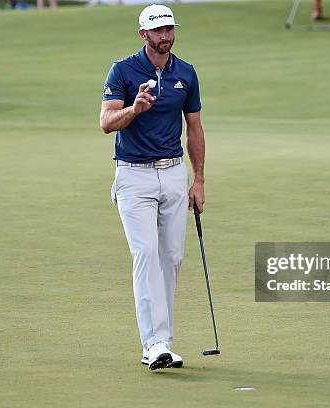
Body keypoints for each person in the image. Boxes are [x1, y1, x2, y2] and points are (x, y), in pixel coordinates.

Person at [99, 4, 206, 371]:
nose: (166, 36)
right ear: (142, 33)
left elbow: (194, 128)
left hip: (174, 174)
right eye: (158, 31)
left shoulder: (186, 73)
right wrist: (135, 109)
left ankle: (164, 340)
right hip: (133, 176)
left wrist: (199, 180)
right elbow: (106, 122)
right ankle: (155, 344)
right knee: (146, 255)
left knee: (171, 258)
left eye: (169, 29)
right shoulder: (123, 70)